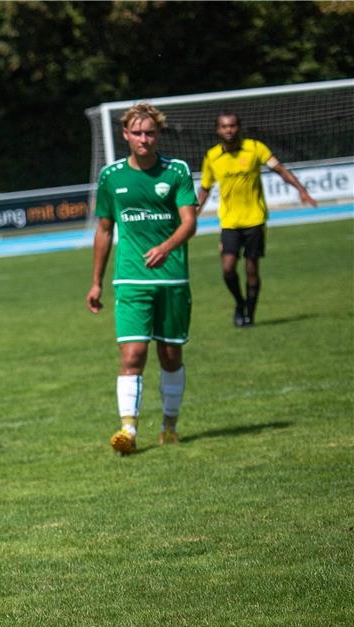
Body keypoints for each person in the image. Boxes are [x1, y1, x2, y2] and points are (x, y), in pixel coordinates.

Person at [86, 103, 198, 454]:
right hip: (131, 280)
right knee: (132, 355)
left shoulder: (176, 171)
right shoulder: (111, 176)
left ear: (158, 134)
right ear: (125, 135)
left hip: (172, 280)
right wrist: (96, 282)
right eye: (137, 133)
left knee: (169, 356)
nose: (144, 139)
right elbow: (104, 230)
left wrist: (167, 247)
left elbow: (189, 222)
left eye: (150, 132)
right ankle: (128, 431)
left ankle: (169, 425)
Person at [196, 112, 317, 327]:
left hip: (255, 220)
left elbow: (280, 169)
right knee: (227, 268)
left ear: (239, 127)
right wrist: (193, 214)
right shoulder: (212, 156)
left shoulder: (255, 148)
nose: (229, 130)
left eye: (232, 126)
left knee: (252, 269)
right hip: (229, 222)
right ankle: (239, 303)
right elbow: (205, 188)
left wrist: (302, 190)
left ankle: (250, 314)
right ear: (218, 130)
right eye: (224, 126)